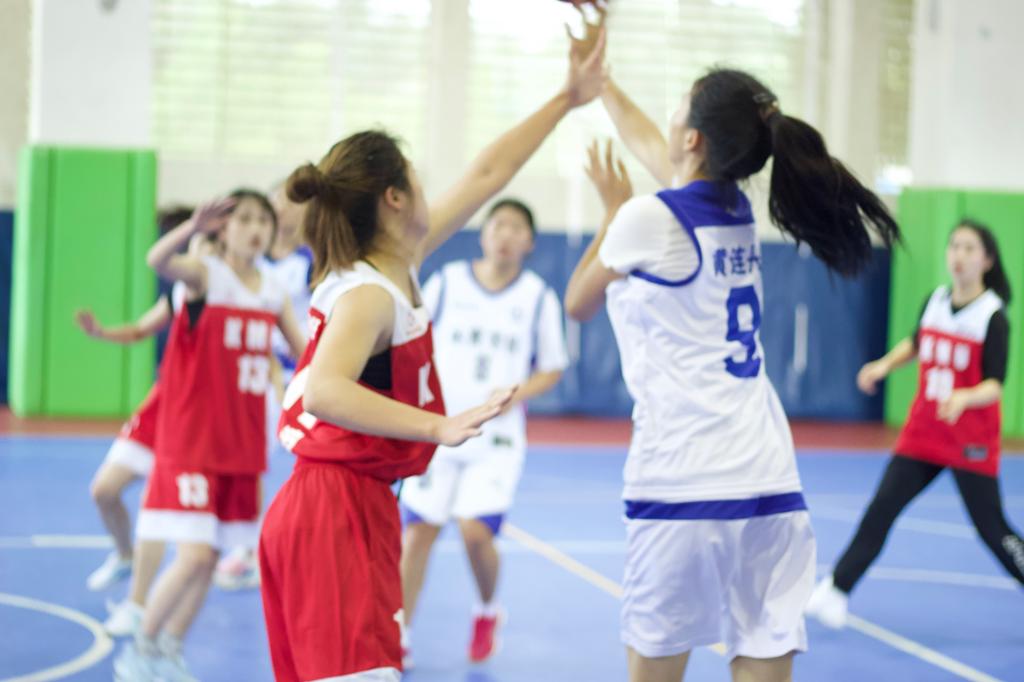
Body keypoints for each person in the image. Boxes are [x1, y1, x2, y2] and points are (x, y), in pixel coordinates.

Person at [260, 30, 607, 682]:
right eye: (417, 177)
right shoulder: (369, 292)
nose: (430, 188)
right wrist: (435, 426)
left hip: (346, 505)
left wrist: (566, 98)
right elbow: (325, 391)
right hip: (332, 512)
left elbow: (488, 173)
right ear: (394, 198)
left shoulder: (399, 264)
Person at [564, 46, 900, 682]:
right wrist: (601, 83)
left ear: (693, 138)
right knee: (762, 655)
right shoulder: (734, 208)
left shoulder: (644, 218)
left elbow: (577, 303)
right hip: (769, 479)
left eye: (679, 108)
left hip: (684, 478)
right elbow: (656, 148)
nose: (667, 119)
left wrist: (610, 211)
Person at [113, 189, 305, 680]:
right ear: (225, 228)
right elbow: (157, 261)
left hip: (242, 447)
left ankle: (168, 649)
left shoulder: (273, 291)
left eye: (263, 220)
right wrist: (192, 229)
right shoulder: (206, 275)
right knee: (194, 554)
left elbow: (306, 353)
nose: (256, 228)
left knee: (211, 558)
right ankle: (141, 647)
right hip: (194, 442)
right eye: (245, 219)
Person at [807, 219, 1023, 629]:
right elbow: (916, 342)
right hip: (925, 432)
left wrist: (964, 397)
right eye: (954, 246)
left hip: (969, 440)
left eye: (969, 249)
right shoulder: (936, 301)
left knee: (993, 530)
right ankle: (837, 588)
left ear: (987, 260)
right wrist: (883, 365)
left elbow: (995, 384)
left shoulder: (992, 316)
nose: (959, 255)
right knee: (882, 507)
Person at [399, 198, 568, 665]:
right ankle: (400, 636)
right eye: (499, 225)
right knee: (418, 532)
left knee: (475, 533)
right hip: (438, 427)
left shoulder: (537, 297)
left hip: (495, 437)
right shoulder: (448, 281)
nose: (506, 235)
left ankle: (487, 609)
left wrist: (516, 394)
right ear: (484, 232)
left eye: (517, 228)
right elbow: (413, 334)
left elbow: (552, 369)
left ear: (530, 242)